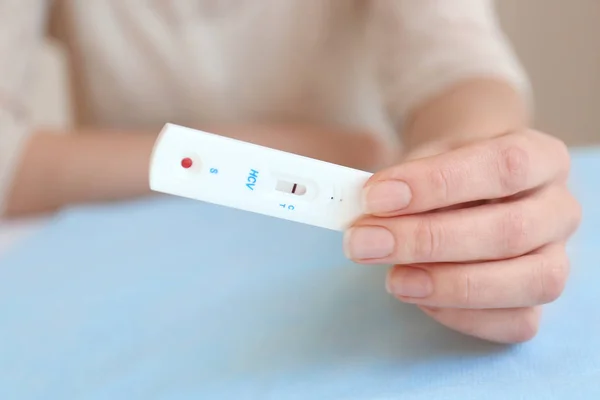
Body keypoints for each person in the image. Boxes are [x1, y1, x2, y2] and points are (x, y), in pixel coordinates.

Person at [0, 1, 581, 344]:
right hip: (123, 277)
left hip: (342, 254)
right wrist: (299, 148)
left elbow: (459, 63)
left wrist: (473, 174)